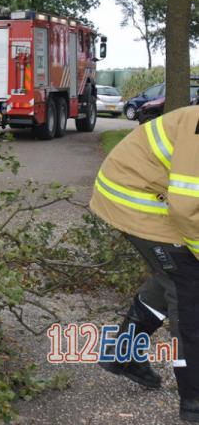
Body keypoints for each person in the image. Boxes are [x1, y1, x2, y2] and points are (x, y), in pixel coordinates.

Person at [91, 105, 199, 422]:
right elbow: (186, 206)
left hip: (157, 197)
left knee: (171, 275)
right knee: (189, 288)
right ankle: (194, 401)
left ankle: (122, 356)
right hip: (136, 200)